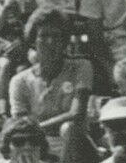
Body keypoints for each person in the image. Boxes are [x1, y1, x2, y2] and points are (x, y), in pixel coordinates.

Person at [7, 10, 92, 153]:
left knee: (69, 128)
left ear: (64, 41)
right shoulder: (19, 81)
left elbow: (77, 114)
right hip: (37, 144)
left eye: (56, 36)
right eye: (43, 36)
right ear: (33, 41)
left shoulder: (81, 67)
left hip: (74, 144)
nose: (50, 42)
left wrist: (36, 127)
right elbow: (21, 126)